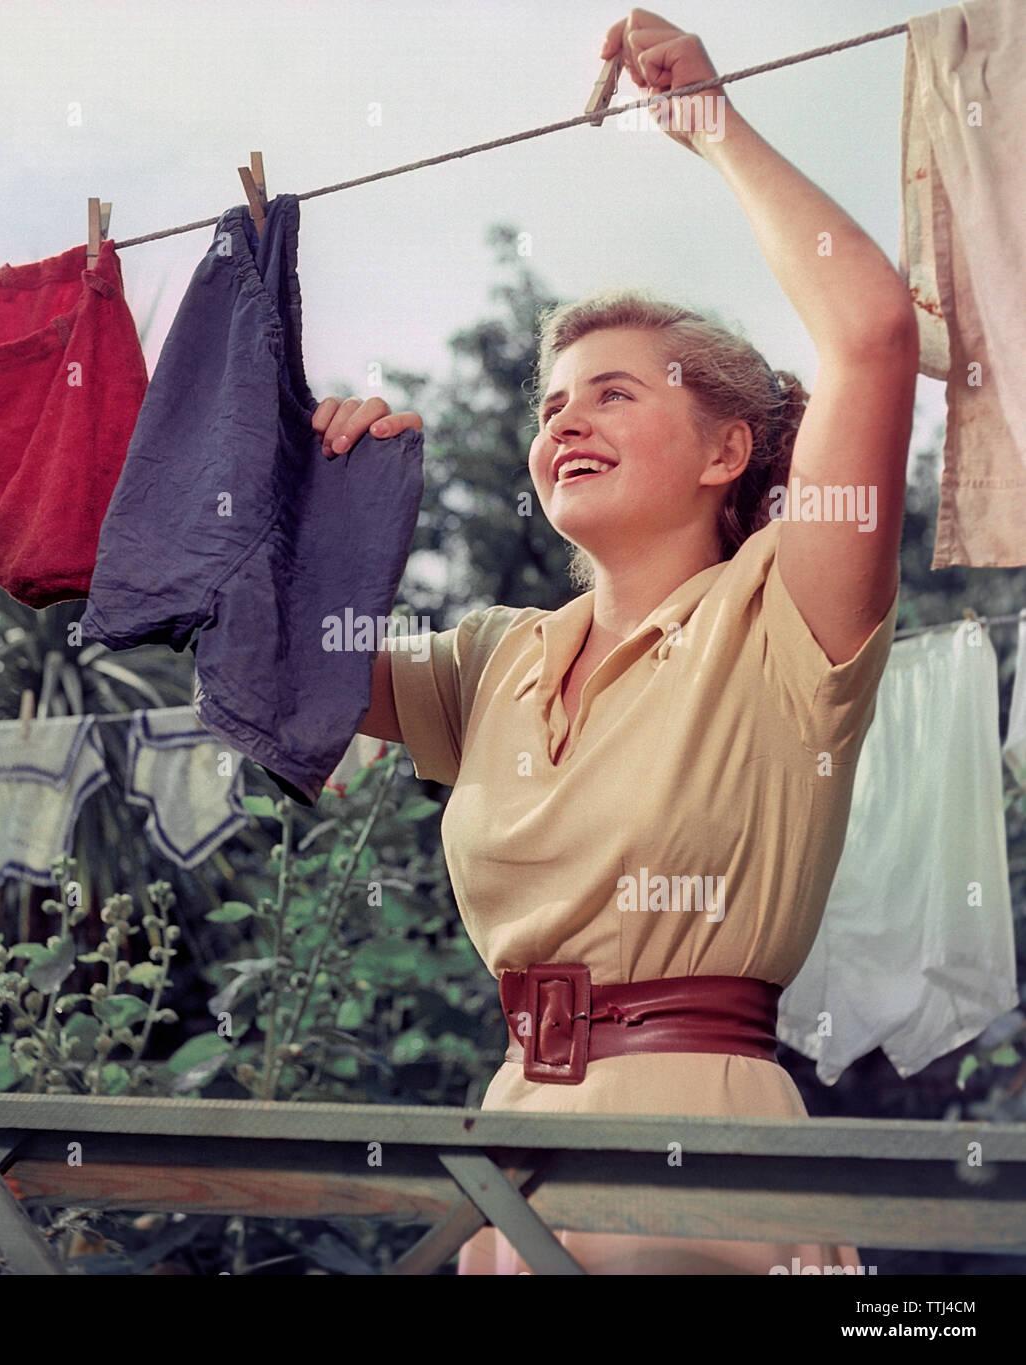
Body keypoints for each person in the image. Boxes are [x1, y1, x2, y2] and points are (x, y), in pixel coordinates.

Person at [312, 9, 918, 1275]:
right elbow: (272, 667)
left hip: (704, 1171)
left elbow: (869, 333)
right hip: (511, 1147)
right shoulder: (490, 658)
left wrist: (707, 119)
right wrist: (320, 496)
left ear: (725, 450)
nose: (563, 422)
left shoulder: (784, 606)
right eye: (548, 405)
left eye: (614, 392)